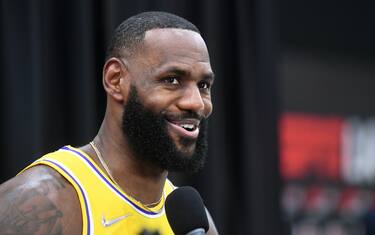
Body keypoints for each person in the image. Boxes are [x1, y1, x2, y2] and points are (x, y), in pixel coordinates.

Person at [0, 11, 218, 235]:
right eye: (171, 80)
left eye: (203, 85)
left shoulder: (195, 224)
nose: (197, 103)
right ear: (115, 80)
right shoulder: (45, 202)